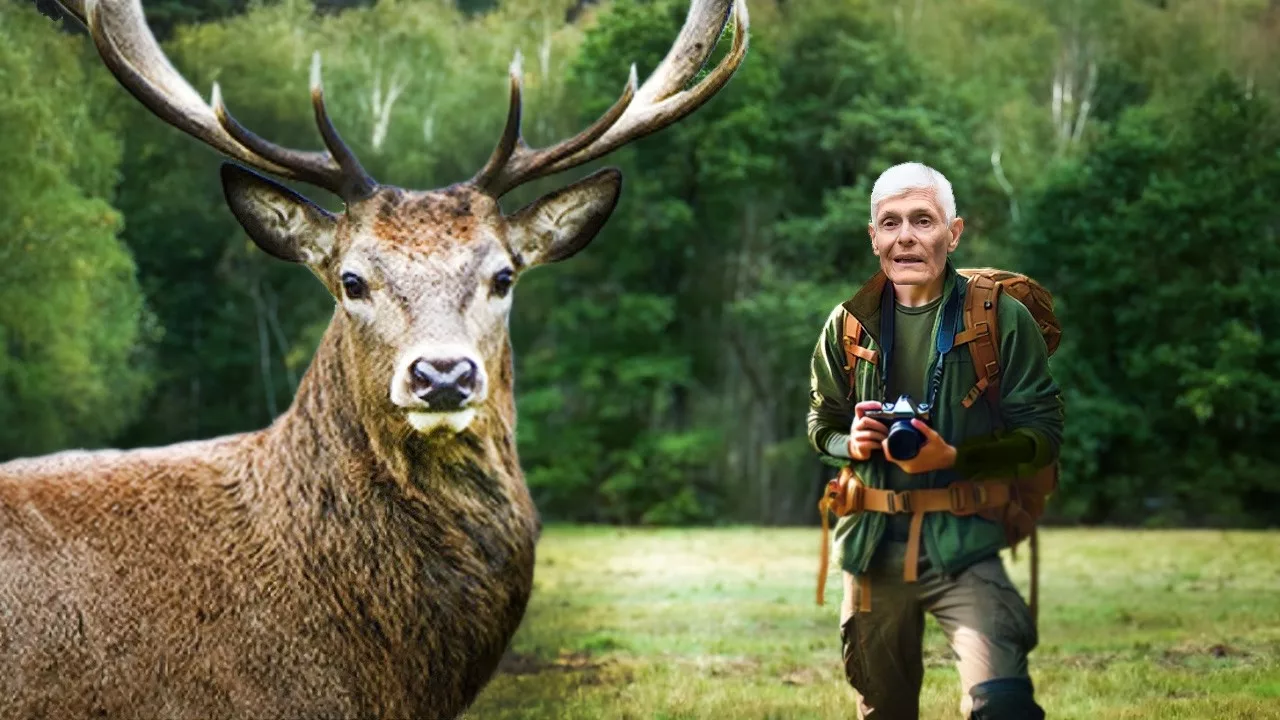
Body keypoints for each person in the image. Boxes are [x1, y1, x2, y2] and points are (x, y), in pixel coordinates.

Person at [806, 162, 1065, 719]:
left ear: (954, 232)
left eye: (923, 220)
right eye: (890, 222)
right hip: (872, 547)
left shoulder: (1000, 320)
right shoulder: (847, 324)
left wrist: (956, 457)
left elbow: (1043, 433)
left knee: (1004, 706)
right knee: (884, 710)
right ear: (873, 236)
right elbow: (819, 422)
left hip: (965, 543)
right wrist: (847, 442)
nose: (905, 237)